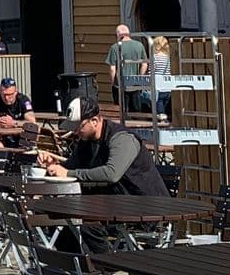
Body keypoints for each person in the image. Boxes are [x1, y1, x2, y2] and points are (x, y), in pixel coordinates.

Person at [39, 100, 169, 197]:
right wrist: (54, 166)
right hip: (112, 205)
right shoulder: (86, 140)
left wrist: (68, 173)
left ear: (94, 121)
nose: (75, 132)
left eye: (79, 127)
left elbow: (112, 174)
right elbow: (72, 166)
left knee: (83, 227)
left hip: (145, 207)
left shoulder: (122, 139)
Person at [106, 26, 150, 113]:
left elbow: (112, 68)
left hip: (120, 84)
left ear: (118, 34)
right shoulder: (139, 45)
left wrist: (113, 83)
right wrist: (139, 78)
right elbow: (144, 64)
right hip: (135, 83)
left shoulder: (115, 47)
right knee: (136, 109)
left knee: (121, 110)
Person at [150, 36, 173, 122]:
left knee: (159, 106)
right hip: (168, 86)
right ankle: (165, 120)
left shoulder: (154, 57)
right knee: (165, 105)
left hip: (158, 87)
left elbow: (151, 72)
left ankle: (161, 122)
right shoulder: (169, 58)